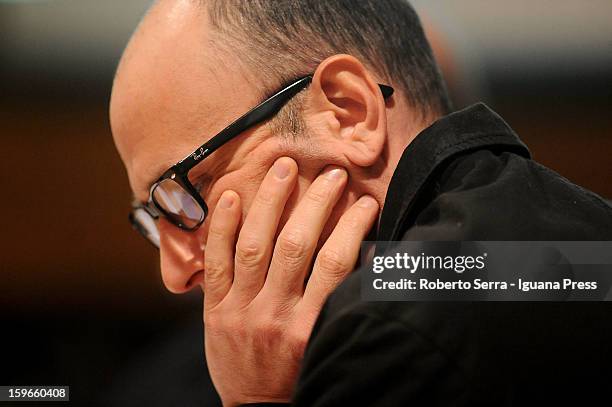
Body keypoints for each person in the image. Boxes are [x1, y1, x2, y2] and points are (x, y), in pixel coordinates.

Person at [109, 0, 612, 405]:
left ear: (348, 113)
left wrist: (258, 399)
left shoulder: (387, 335)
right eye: (153, 220)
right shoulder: (579, 244)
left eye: (181, 192)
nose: (174, 275)